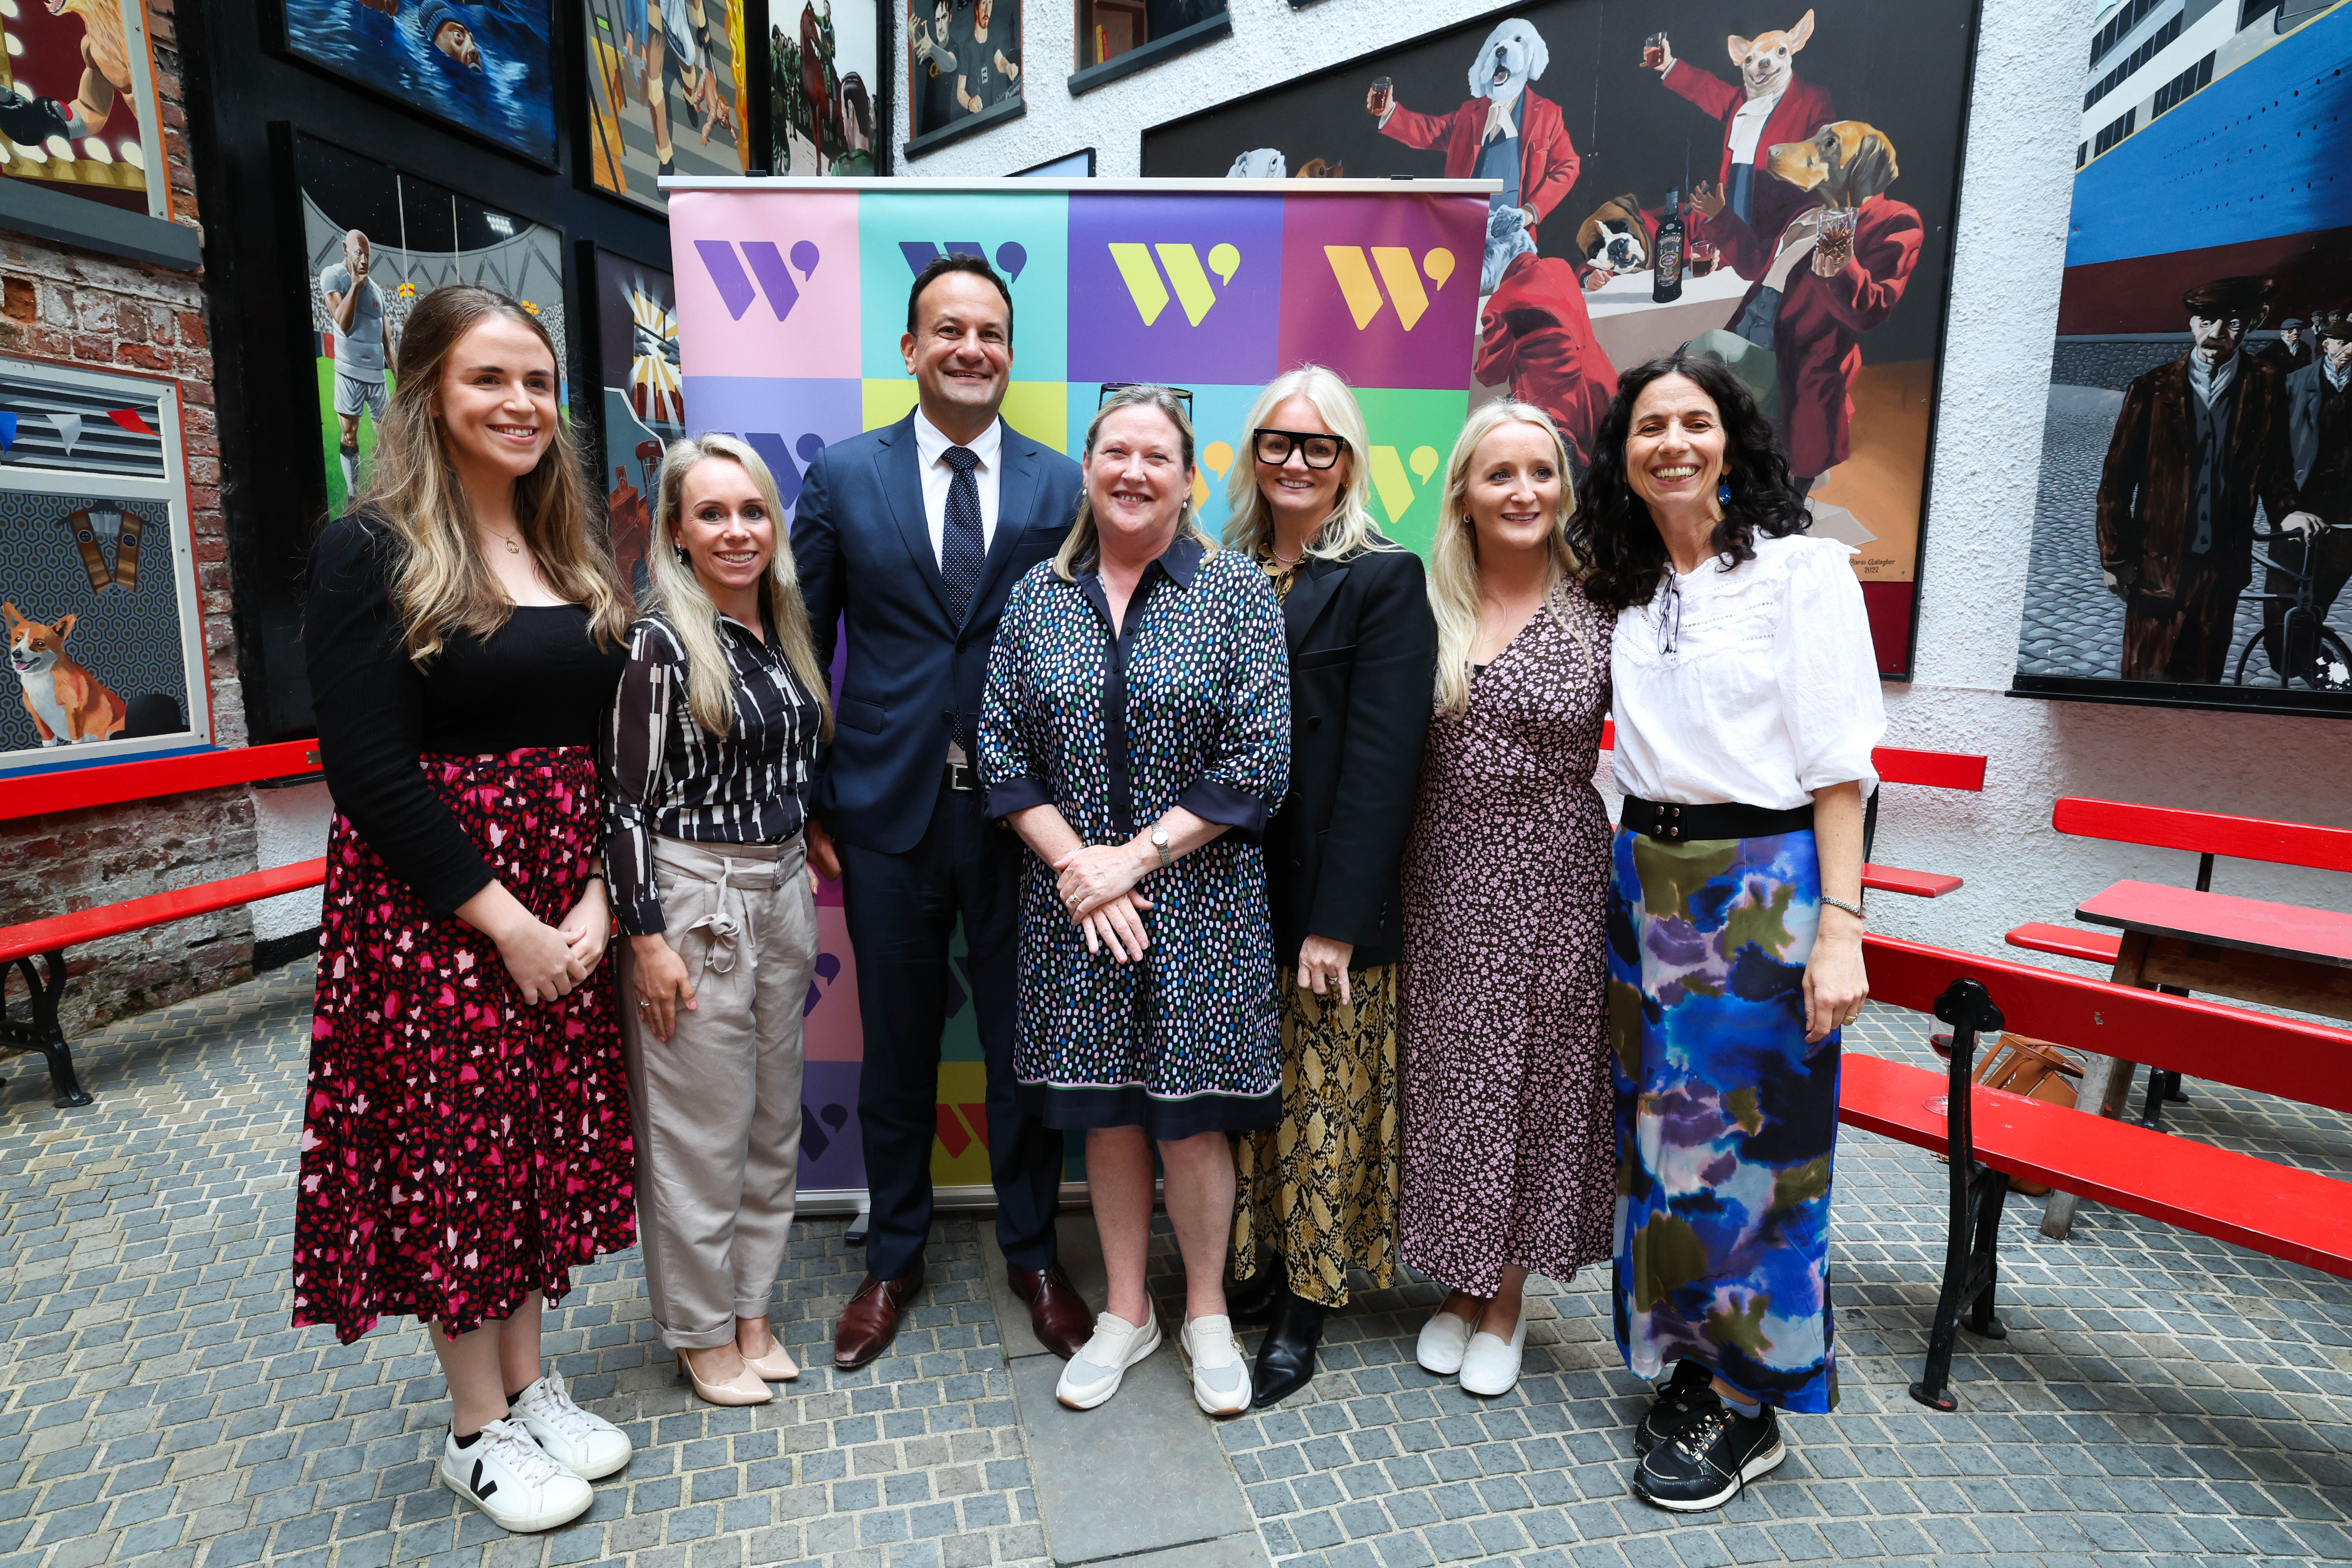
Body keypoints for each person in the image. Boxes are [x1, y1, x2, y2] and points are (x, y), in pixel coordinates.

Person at [297, 285, 637, 1533]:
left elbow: (610, 752)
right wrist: (506, 920)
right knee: (457, 1161)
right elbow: (370, 772)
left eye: (539, 380)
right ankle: (472, 1428)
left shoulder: (567, 546)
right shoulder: (370, 548)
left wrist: (599, 896)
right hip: (440, 921)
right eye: (491, 378)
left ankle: (532, 1383)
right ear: (429, 389)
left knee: (533, 1148)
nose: (522, 404)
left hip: (564, 902)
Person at [1573, 352, 1880, 1513]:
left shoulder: (1801, 572)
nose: (1668, 443)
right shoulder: (1632, 585)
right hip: (1643, 885)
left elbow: (1841, 764)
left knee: (1759, 1151)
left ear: (1730, 440)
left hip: (1761, 887)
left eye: (1691, 422)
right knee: (1660, 1143)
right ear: (1623, 456)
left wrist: (1840, 927)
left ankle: (1748, 1400)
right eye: (1646, 426)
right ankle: (1682, 1359)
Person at [793, 254, 1088, 1370]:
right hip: (885, 809)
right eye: (948, 330)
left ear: (1012, 355)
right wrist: (815, 795)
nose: (973, 348)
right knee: (897, 1050)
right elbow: (803, 641)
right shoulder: (842, 477)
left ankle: (1035, 1254)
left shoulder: (1062, 485)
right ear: (909, 351)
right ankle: (894, 1257)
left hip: (1027, 818)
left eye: (992, 333)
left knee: (1027, 1046)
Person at [980, 385, 1290, 1417]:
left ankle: (1203, 1312)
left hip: (1200, 908)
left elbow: (1260, 764)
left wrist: (1133, 862)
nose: (1134, 472)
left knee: (1193, 1126)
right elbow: (999, 752)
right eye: (1116, 451)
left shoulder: (1235, 593)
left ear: (1189, 477)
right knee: (1106, 1121)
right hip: (1076, 912)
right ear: (1088, 467)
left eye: (1158, 456)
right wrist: (1085, 870)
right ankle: (1126, 1310)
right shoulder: (1039, 597)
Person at [1222, 367, 1437, 1408]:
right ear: (1252, 452)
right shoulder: (1220, 570)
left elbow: (1385, 765)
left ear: (1349, 461)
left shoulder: (1385, 577)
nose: (1296, 463)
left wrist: (1339, 923)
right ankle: (1251, 1268)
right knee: (1248, 1104)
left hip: (1325, 907)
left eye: (1319, 447)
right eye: (1278, 442)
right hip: (1227, 895)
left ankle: (1308, 1303)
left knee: (1322, 1107)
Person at [605, 434, 833, 1408]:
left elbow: (784, 754)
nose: (736, 531)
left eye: (751, 512)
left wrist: (809, 828)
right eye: (712, 514)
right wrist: (646, 937)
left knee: (772, 1119)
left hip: (782, 889)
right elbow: (620, 804)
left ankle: (750, 1310)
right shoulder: (658, 643)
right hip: (696, 901)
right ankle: (699, 1333)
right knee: (700, 1130)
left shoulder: (781, 624)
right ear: (675, 533)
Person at [1395, 401, 1614, 1405]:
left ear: (1562, 488)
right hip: (1441, 873)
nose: (1522, 491)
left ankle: (1508, 1298)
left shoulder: (1606, 604)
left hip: (1556, 878)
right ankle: (1458, 1276)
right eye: (1499, 475)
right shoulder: (1427, 598)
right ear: (1464, 495)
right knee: (1454, 1085)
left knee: (1538, 1086)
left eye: (1541, 472)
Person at [2096, 276, 2323, 682]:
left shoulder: (2267, 384)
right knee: (2144, 679)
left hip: (2222, 565)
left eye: (2232, 324)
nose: (2216, 334)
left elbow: (2274, 466)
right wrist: (2114, 556)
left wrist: (2289, 512)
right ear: (2192, 324)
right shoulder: (2150, 388)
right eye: (2206, 321)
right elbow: (2116, 482)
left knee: (2204, 680)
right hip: (2155, 563)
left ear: (2254, 324)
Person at [2272, 319, 2352, 675]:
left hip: (2347, 502)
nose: (2349, 350)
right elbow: (2275, 448)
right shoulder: (2296, 383)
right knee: (2287, 585)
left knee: (2329, 580)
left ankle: (2311, 654)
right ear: (2326, 345)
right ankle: (2289, 660)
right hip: (2303, 498)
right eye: (2343, 343)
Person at [318, 229, 389, 508]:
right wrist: (356, 287)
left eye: (368, 256)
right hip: (349, 372)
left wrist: (396, 371)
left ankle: (386, 492)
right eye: (359, 253)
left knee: (389, 436)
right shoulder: (333, 276)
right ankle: (353, 494)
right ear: (345, 250)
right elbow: (343, 324)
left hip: (377, 376)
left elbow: (387, 339)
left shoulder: (379, 291)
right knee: (350, 433)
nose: (364, 260)